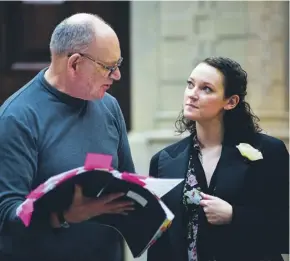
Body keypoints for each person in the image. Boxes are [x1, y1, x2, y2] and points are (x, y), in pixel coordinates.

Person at [0, 13, 135, 261]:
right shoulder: (17, 118)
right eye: (108, 67)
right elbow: (7, 219)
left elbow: (128, 183)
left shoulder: (109, 106)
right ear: (74, 64)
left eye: (118, 65)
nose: (116, 76)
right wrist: (62, 216)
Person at [147, 57, 289, 261]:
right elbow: (159, 244)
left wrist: (234, 216)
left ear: (231, 102)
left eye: (206, 89)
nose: (192, 95)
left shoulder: (268, 151)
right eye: (190, 84)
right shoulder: (163, 161)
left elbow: (282, 229)